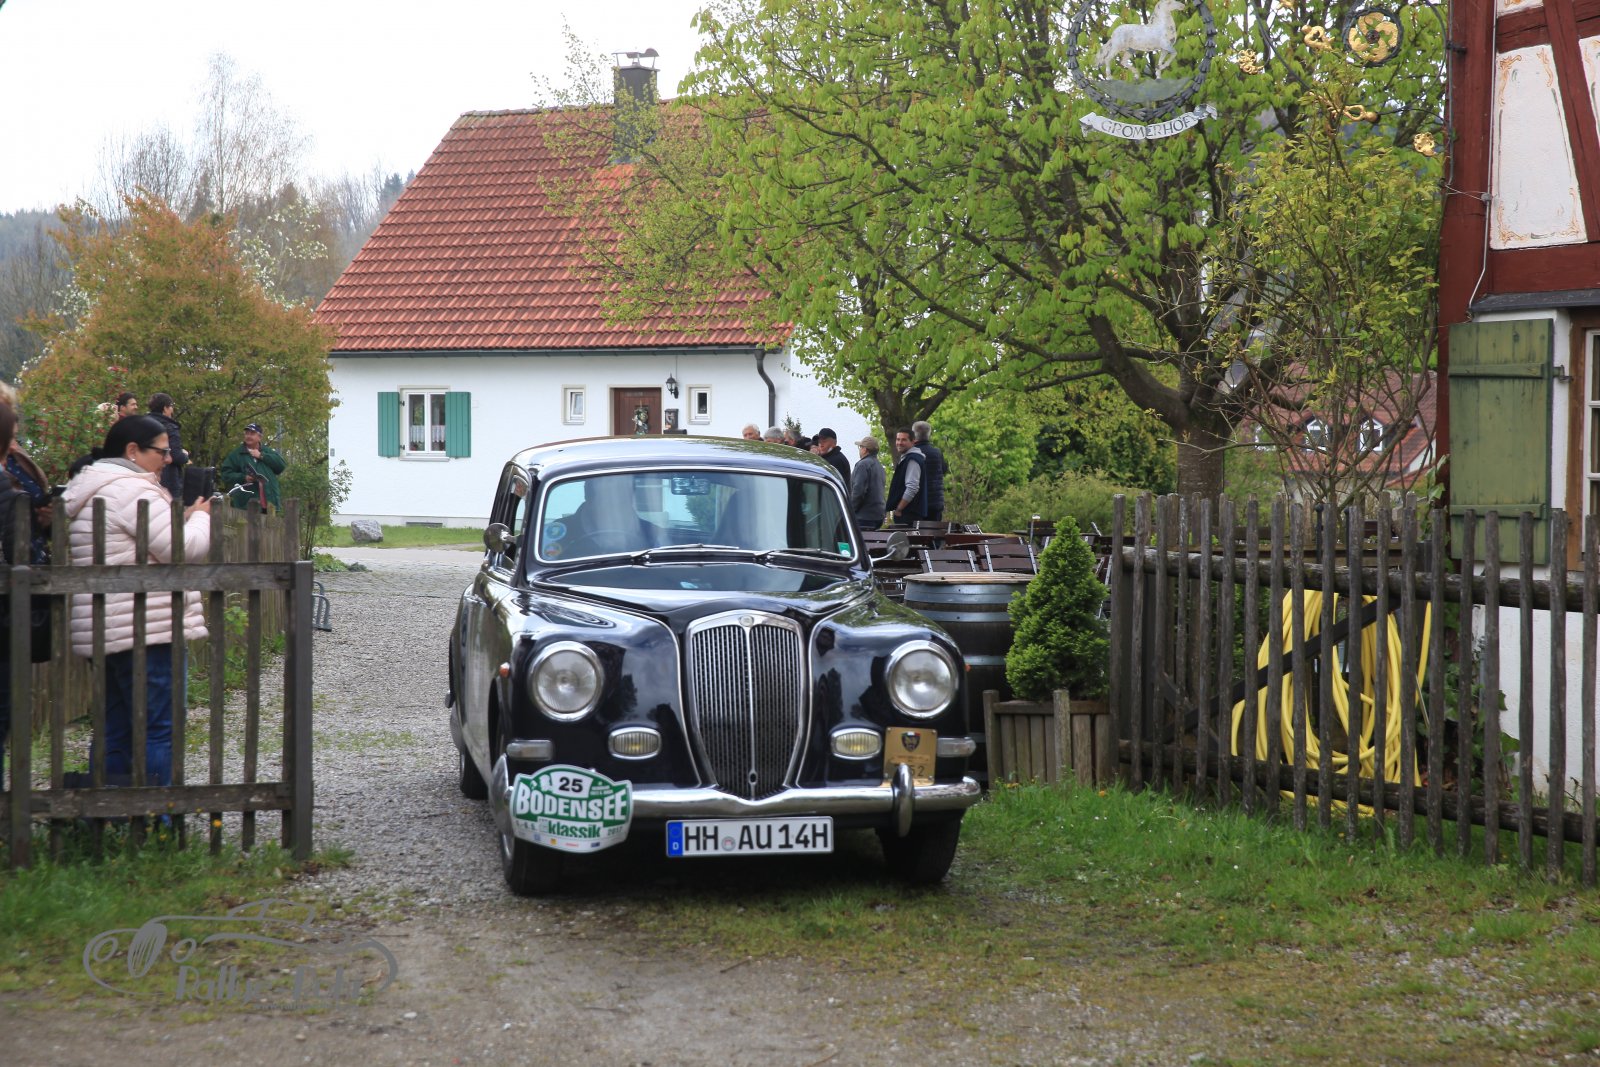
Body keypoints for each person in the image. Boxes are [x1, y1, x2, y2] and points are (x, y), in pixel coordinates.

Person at [61, 415, 211, 787]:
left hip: (107, 627)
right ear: (133, 450)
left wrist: (182, 518)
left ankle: (109, 810)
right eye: (162, 451)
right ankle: (156, 812)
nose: (168, 459)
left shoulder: (94, 486)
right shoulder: (131, 489)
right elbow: (182, 548)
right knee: (158, 727)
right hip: (144, 629)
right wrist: (201, 519)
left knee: (115, 726)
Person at [221, 422, 287, 512]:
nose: (248, 436)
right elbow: (225, 474)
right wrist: (243, 477)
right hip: (246, 505)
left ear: (259, 437)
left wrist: (261, 456)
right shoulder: (237, 454)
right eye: (247, 433)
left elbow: (281, 466)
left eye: (252, 434)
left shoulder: (267, 451)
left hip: (269, 504)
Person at [147, 393, 189, 500]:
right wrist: (185, 455)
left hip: (145, 476)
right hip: (168, 479)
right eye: (171, 406)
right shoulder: (169, 427)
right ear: (165, 408)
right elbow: (175, 456)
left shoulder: (141, 424)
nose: (172, 410)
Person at [885, 428, 929, 525]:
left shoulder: (913, 460)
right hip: (909, 513)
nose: (899, 443)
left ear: (913, 441)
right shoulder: (908, 458)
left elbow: (912, 487)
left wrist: (899, 509)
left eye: (904, 440)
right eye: (898, 439)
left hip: (908, 514)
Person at [912, 420, 947, 523]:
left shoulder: (911, 454)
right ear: (929, 434)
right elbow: (944, 470)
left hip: (917, 504)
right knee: (934, 530)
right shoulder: (937, 453)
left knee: (916, 531)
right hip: (936, 503)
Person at [850, 435, 886, 532]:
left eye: (860, 447)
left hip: (864, 516)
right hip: (878, 515)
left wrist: (850, 510)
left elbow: (858, 491)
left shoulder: (862, 465)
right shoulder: (879, 466)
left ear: (865, 449)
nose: (859, 450)